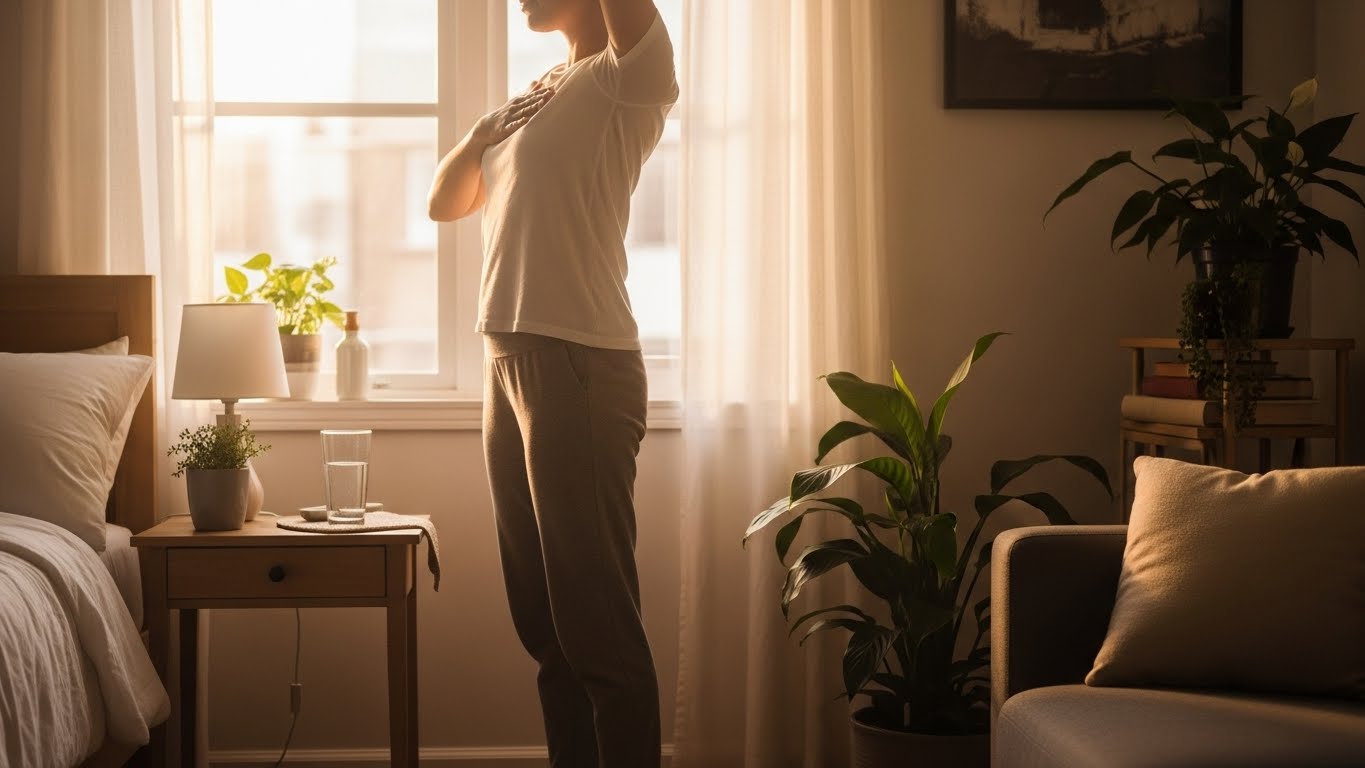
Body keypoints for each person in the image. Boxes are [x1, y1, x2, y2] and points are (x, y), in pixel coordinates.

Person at [427, 0, 678, 765]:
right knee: (544, 624)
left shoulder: (627, 77)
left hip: (578, 363)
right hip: (504, 360)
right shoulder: (540, 92)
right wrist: (483, 130)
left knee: (595, 622)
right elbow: (444, 204)